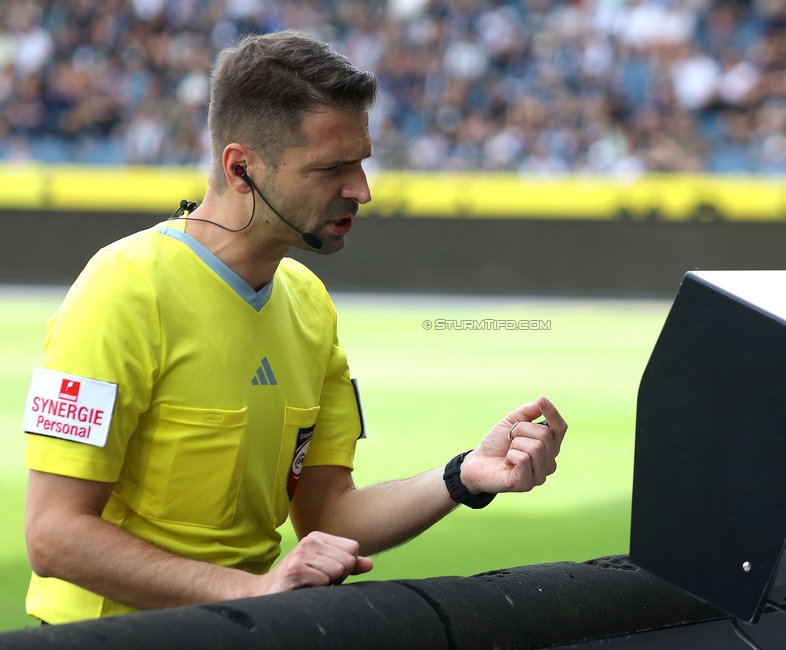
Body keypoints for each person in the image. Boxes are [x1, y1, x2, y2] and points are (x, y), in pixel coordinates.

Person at [21, 30, 567, 625]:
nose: (361, 190)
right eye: (332, 168)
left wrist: (462, 477)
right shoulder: (121, 289)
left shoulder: (308, 302)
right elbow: (54, 536)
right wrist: (249, 591)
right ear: (241, 170)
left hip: (250, 632)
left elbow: (328, 514)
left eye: (361, 163)